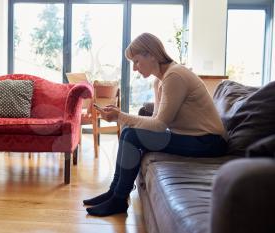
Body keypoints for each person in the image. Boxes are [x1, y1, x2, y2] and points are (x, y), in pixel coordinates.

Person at [83, 32, 227, 217]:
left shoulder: (175, 76)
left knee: (131, 134)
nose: (135, 68)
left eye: (136, 61)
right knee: (129, 132)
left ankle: (119, 199)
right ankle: (114, 192)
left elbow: (159, 125)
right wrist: (122, 119)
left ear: (151, 54)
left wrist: (121, 116)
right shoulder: (160, 80)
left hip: (209, 142)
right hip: (194, 137)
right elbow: (157, 120)